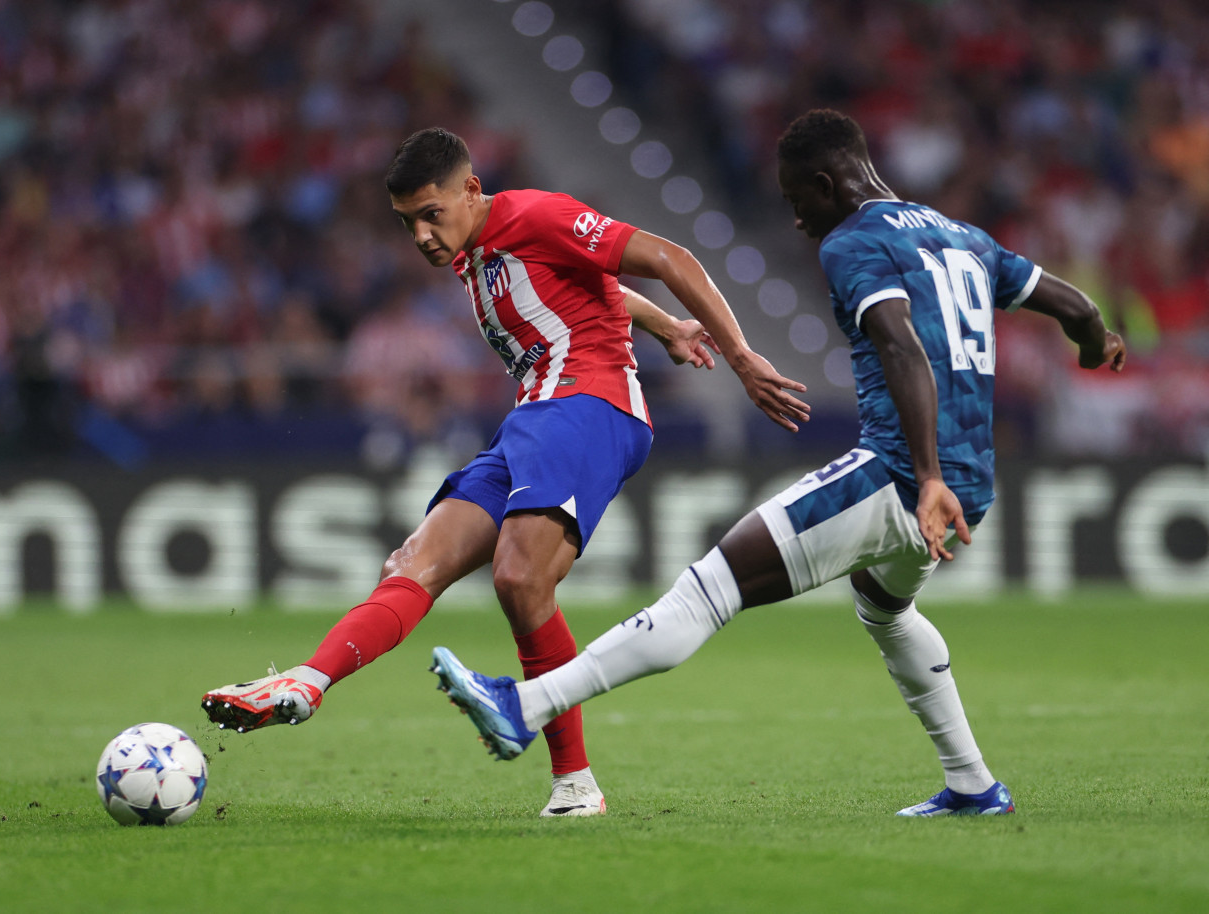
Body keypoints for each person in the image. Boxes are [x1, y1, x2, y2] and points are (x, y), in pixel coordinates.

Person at [430, 109, 1128, 817]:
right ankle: (974, 786)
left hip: (902, 475)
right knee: (885, 610)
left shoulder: (853, 242)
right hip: (970, 477)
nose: (797, 222)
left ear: (827, 184)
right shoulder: (960, 235)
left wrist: (927, 477)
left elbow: (899, 344)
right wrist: (1096, 339)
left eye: (798, 202)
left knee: (708, 590)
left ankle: (525, 703)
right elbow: (1070, 303)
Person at [200, 127, 810, 817]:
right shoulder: (472, 253)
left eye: (432, 214)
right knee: (412, 561)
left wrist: (738, 355)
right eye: (408, 224)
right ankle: (306, 684)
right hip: (532, 420)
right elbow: (586, 284)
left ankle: (572, 779)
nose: (424, 236)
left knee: (520, 576)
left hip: (590, 404)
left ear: (471, 190)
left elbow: (668, 255)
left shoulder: (535, 214)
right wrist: (662, 324)